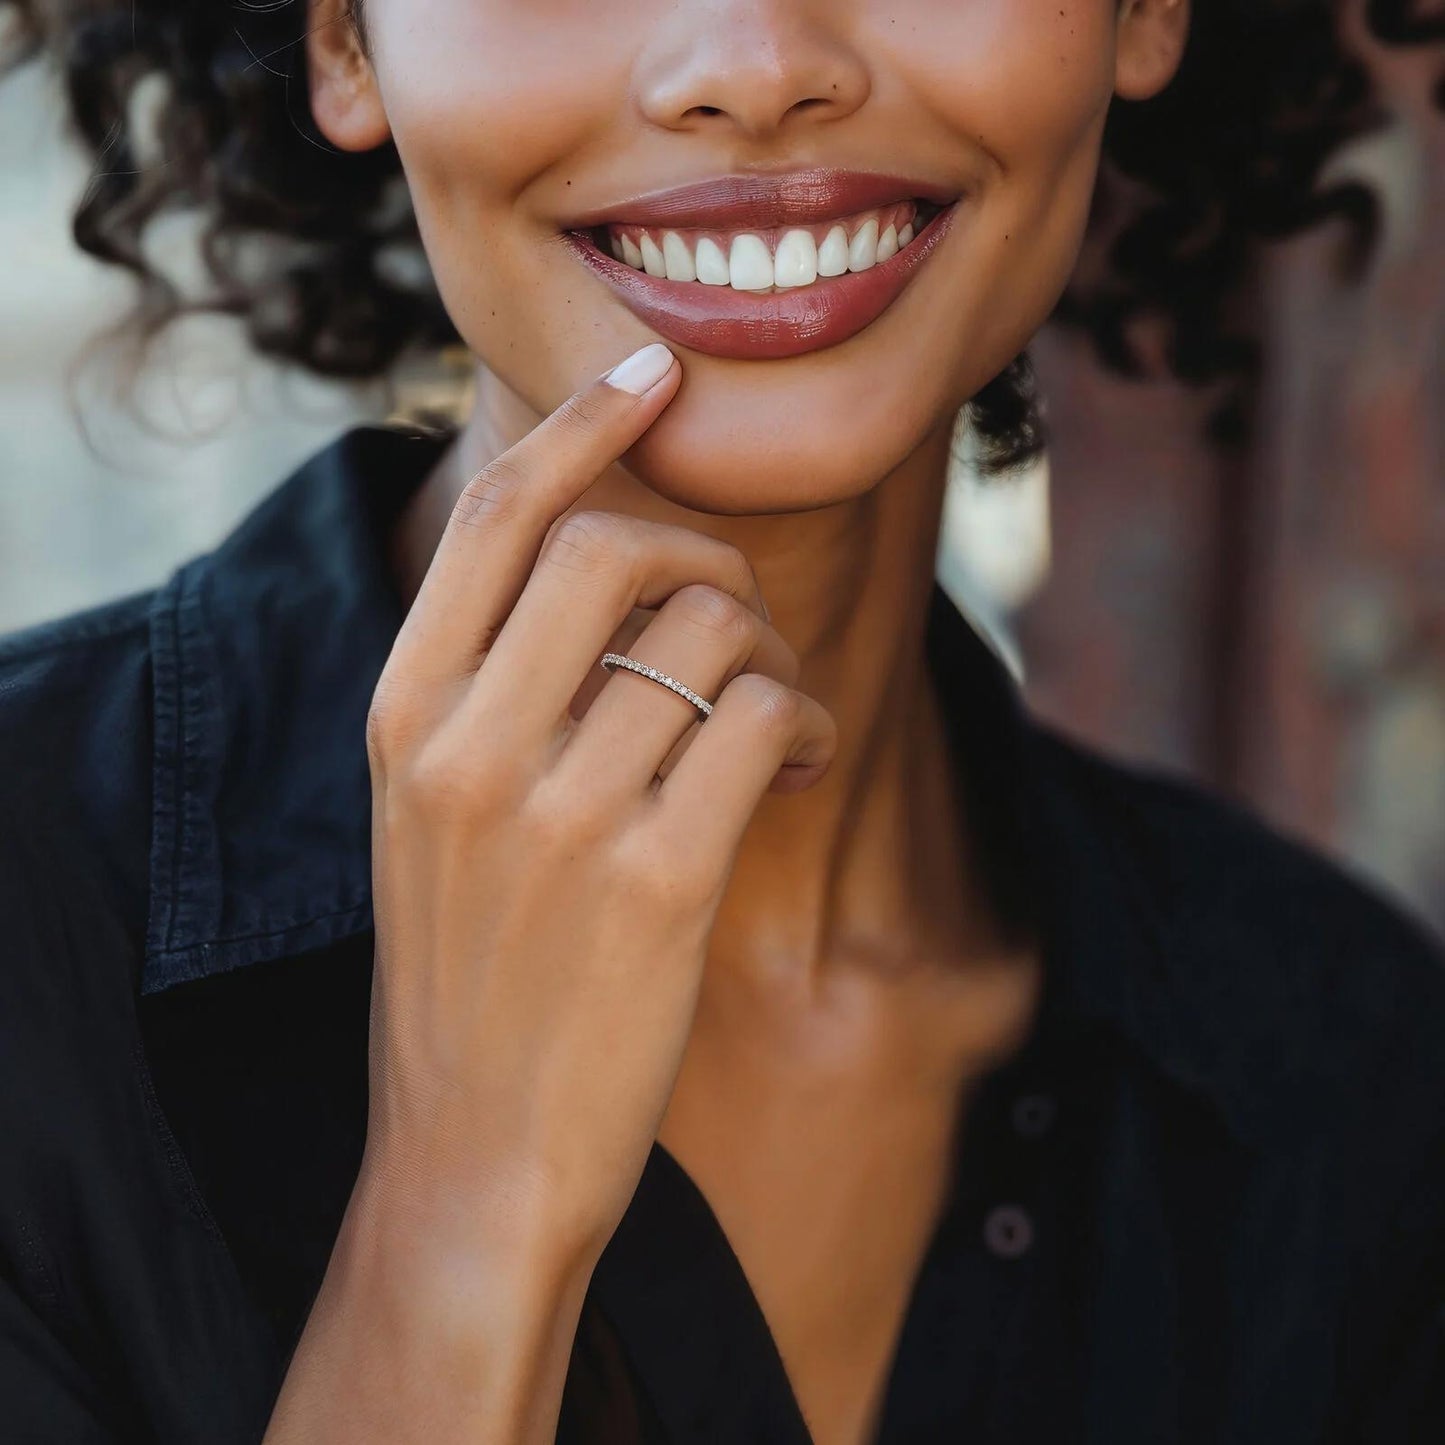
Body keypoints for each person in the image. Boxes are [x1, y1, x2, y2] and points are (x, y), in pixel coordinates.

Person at [2, 2, 1443, 1442]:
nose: (754, 66)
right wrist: (463, 1222)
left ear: (1144, 12)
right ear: (343, 41)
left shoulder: (1353, 1086)